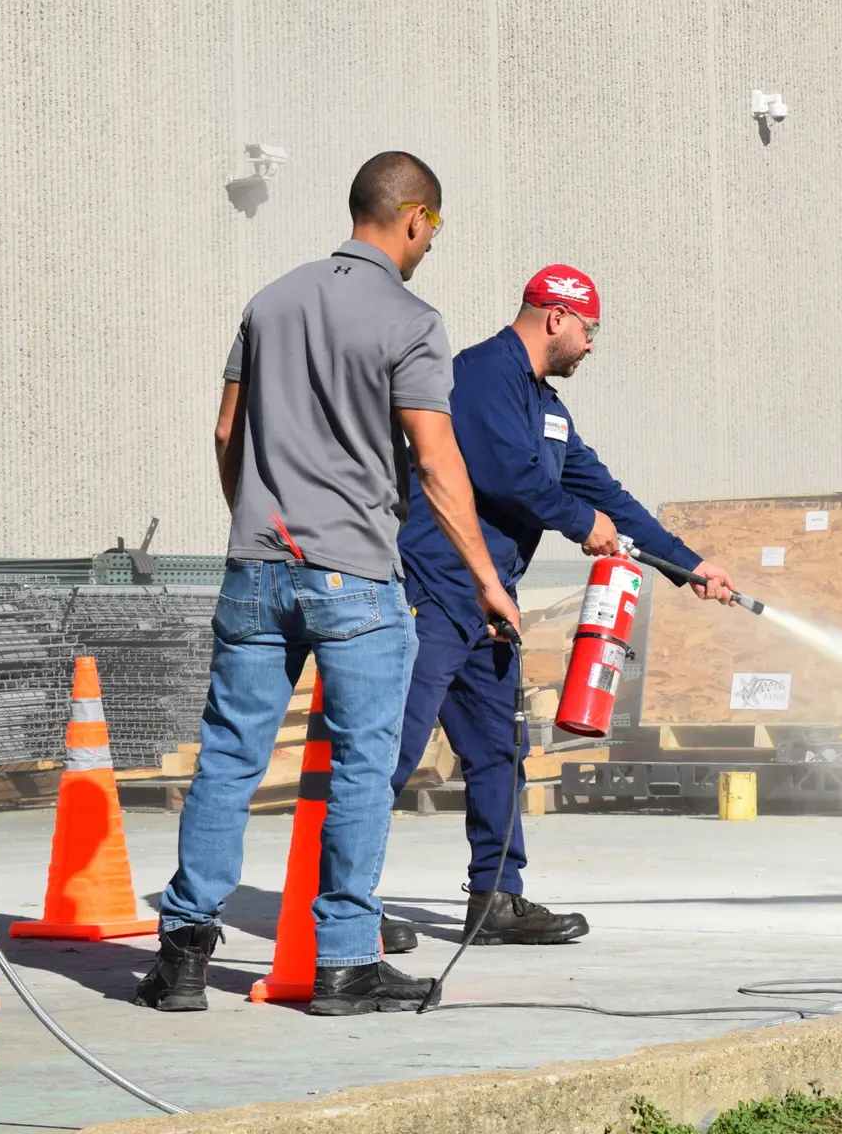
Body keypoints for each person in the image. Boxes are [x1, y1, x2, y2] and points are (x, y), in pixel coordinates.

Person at [137, 151, 520, 1017]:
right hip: (355, 579)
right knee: (359, 766)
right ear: (414, 217)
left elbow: (227, 427)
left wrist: (252, 518)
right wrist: (487, 581)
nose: (431, 245)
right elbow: (436, 463)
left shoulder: (268, 302)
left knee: (228, 762)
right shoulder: (411, 320)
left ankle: (184, 955)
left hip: (256, 569)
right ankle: (345, 962)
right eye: (434, 230)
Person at [384, 264, 736, 948]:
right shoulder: (480, 375)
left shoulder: (548, 407)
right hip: (432, 584)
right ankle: (339, 905)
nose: (592, 346)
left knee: (497, 752)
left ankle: (496, 900)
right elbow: (504, 476)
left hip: (490, 601)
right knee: (391, 749)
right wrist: (580, 522)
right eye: (589, 329)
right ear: (555, 316)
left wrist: (687, 564)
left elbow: (606, 492)